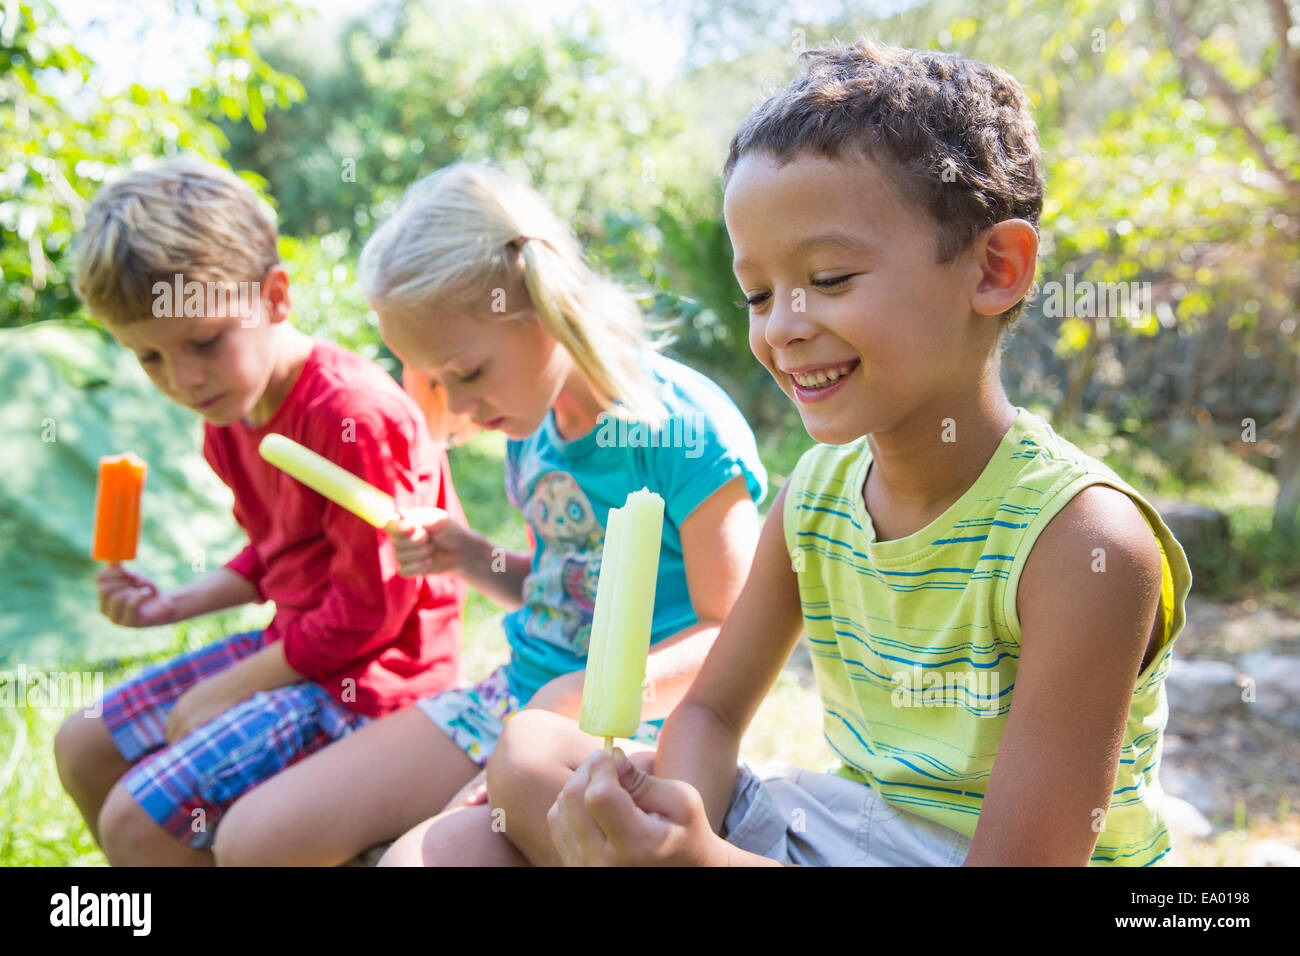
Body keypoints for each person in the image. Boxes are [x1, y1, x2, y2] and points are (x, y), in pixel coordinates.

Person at [531, 39, 1194, 866]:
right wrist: (677, 820)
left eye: (832, 278)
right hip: (849, 829)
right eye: (759, 293)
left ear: (995, 267)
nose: (783, 326)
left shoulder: (1085, 544)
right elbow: (705, 715)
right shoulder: (816, 495)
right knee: (529, 771)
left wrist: (696, 862)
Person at [208, 162, 767, 866]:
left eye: (468, 373)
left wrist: (583, 697)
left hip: (630, 730)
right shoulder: (530, 429)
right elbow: (566, 586)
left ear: (544, 302)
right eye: (438, 381)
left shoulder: (683, 430)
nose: (460, 406)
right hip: (515, 693)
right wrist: (471, 555)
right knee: (252, 840)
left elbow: (736, 632)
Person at [54, 158, 466, 865]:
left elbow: (372, 611)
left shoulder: (352, 417)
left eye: (205, 342)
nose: (182, 379)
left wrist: (230, 688)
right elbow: (275, 553)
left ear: (275, 297)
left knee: (139, 822)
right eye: (149, 357)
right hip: (302, 643)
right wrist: (175, 604)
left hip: (375, 680)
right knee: (83, 742)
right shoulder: (229, 413)